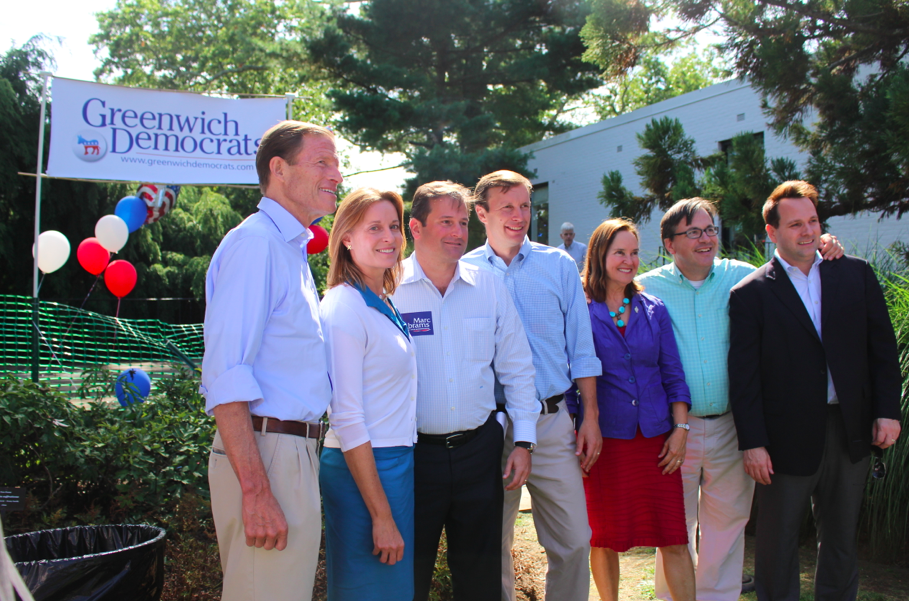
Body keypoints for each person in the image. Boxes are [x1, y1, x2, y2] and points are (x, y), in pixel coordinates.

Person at [640, 198, 845, 601]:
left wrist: (825, 246)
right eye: (693, 232)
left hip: (733, 427)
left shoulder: (744, 277)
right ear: (669, 244)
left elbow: (794, 262)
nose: (706, 239)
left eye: (711, 229)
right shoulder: (648, 286)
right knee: (674, 529)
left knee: (727, 529)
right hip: (672, 432)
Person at [728, 180, 902, 601]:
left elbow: (882, 349)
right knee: (776, 543)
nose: (807, 231)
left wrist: (887, 411)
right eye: (795, 225)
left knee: (842, 538)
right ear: (772, 232)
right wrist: (753, 443)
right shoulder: (750, 293)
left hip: (850, 427)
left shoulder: (854, 273)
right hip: (784, 438)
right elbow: (744, 377)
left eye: (813, 221)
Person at [201, 121, 342, 601]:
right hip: (268, 452)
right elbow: (225, 375)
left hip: (289, 451)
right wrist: (257, 491)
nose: (337, 174)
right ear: (278, 169)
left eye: (337, 163)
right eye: (322, 162)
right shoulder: (257, 244)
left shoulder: (288, 248)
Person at [392, 181, 539, 601]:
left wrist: (524, 439)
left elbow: (517, 366)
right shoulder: (388, 289)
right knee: (409, 578)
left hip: (479, 453)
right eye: (445, 222)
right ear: (415, 228)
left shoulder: (488, 287)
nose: (457, 232)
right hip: (412, 457)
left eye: (461, 222)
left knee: (480, 581)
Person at [463, 171, 602, 601]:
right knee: (494, 545)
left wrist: (590, 417)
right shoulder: (463, 271)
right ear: (481, 213)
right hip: (491, 429)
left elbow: (582, 347)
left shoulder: (557, 264)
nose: (520, 216)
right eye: (508, 207)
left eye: (526, 206)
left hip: (551, 420)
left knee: (575, 540)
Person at [569, 218, 695, 601]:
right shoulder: (579, 309)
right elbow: (571, 373)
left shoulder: (653, 308)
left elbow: (673, 373)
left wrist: (680, 429)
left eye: (634, 252)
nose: (629, 260)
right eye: (619, 252)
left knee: (673, 536)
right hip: (604, 441)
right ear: (599, 255)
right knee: (603, 537)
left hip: (657, 441)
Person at [318, 188, 417, 600]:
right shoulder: (343, 307)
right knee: (366, 591)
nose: (389, 237)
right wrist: (380, 514)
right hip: (363, 471)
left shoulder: (381, 300)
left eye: (394, 227)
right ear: (346, 237)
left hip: (395, 465)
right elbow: (346, 417)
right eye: (374, 227)